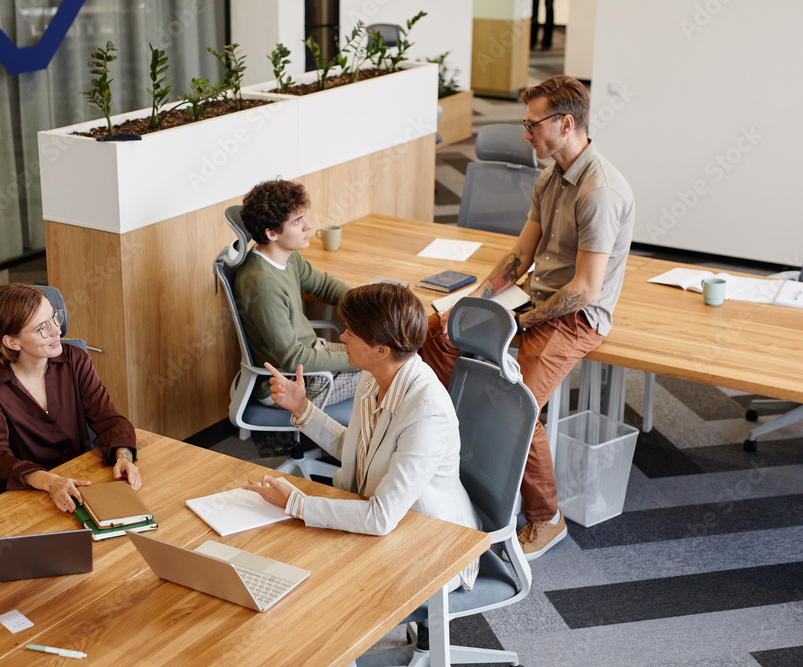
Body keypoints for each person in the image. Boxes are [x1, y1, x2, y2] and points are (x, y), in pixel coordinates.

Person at [423, 75, 635, 560]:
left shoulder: (599, 192)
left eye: (531, 125)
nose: (525, 135)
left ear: (565, 124)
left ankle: (546, 518)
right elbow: (521, 255)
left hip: (574, 317)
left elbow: (584, 289)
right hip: (533, 300)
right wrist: (475, 303)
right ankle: (452, 451)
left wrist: (518, 322)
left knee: (515, 399)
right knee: (439, 334)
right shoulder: (549, 177)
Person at [242, 283, 481, 591]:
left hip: (431, 540)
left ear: (381, 350)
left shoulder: (426, 410)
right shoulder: (373, 376)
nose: (342, 338)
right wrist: (302, 408)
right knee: (290, 552)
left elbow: (380, 517)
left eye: (350, 333)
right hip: (388, 519)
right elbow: (357, 450)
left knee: (315, 575)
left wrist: (297, 503)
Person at [0, 283, 141, 513]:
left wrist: (124, 457)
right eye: (43, 327)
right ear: (12, 342)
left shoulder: (75, 361)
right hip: (26, 496)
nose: (57, 330)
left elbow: (111, 421)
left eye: (54, 317)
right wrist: (50, 482)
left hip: (80, 485)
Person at [234, 178, 359, 408]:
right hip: (289, 384)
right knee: (390, 369)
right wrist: (361, 360)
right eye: (298, 221)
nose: (308, 226)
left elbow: (323, 286)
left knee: (390, 359)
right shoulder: (263, 286)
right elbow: (293, 360)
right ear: (271, 233)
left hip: (311, 354)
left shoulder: (286, 257)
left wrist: (365, 303)